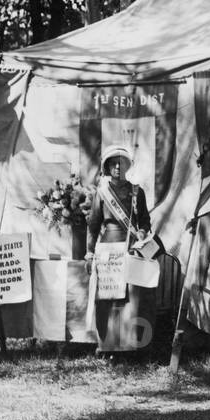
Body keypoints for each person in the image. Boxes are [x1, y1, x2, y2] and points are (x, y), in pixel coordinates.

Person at [85, 145, 155, 354]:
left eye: (121, 163)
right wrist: (89, 252)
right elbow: (94, 225)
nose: (117, 166)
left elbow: (144, 221)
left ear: (127, 166)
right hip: (108, 249)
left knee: (130, 298)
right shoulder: (102, 192)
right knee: (107, 297)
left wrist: (141, 233)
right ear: (107, 167)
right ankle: (106, 345)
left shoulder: (137, 191)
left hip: (131, 249)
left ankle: (129, 344)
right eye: (113, 163)